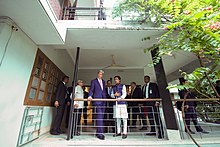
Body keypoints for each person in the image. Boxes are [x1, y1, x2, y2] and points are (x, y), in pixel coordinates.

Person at [88, 70, 107, 140]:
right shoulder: (93, 81)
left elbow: (103, 91)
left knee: (101, 117)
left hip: (103, 101)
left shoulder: (104, 82)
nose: (100, 75)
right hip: (97, 101)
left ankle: (98, 132)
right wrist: (90, 96)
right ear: (97, 74)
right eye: (99, 74)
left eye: (101, 74)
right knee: (99, 117)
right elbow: (91, 90)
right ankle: (100, 134)